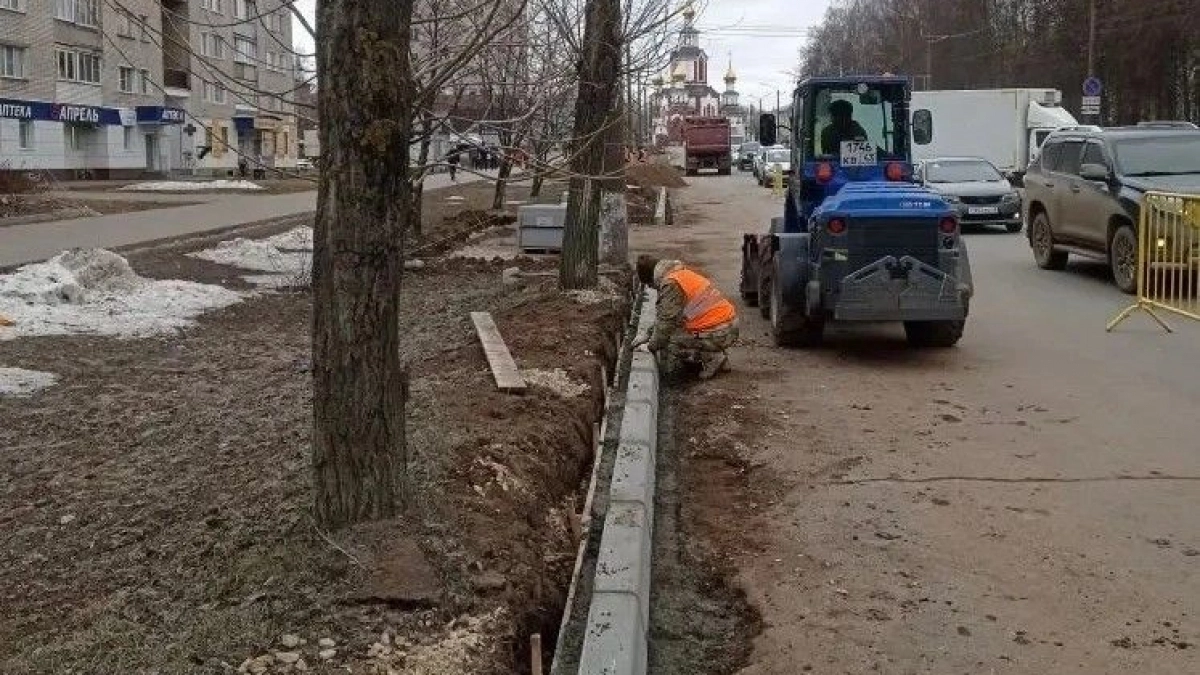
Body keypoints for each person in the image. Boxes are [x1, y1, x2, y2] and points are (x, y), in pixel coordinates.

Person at [631, 255, 739, 380]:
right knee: (675, 329)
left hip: (720, 331)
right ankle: (717, 355)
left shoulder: (671, 285)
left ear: (651, 278)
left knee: (669, 341)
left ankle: (713, 358)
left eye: (649, 284)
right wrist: (648, 333)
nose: (650, 288)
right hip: (727, 325)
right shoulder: (678, 273)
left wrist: (650, 346)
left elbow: (666, 323)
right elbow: (667, 317)